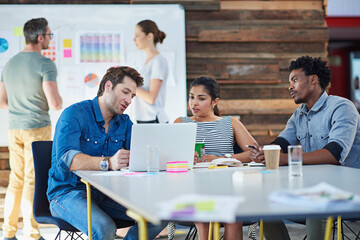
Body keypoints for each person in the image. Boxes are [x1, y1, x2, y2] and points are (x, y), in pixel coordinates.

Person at [47, 66, 166, 240]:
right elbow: (68, 160)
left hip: (108, 194)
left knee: (158, 218)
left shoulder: (124, 123)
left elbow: (142, 153)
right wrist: (109, 163)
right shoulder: (74, 114)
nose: (129, 100)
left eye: (132, 96)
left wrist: (174, 157)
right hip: (68, 193)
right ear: (108, 86)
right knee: (104, 228)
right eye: (125, 92)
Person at [250, 56, 360, 240]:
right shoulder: (298, 115)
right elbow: (281, 143)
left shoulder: (342, 107)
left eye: (294, 80)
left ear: (313, 79)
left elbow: (334, 154)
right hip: (312, 187)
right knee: (263, 200)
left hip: (346, 190)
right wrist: (265, 154)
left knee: (315, 204)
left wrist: (285, 158)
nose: (290, 87)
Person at [0, 18, 62, 240]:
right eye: (49, 35)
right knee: (32, 180)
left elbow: (2, 101)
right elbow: (55, 103)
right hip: (37, 128)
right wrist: (58, 101)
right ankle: (33, 234)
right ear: (40, 37)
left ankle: (8, 233)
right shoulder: (45, 64)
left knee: (16, 179)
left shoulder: (10, 63)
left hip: (14, 128)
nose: (50, 39)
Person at [175, 76, 258, 240]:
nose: (194, 103)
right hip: (193, 187)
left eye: (201, 98)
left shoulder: (230, 123)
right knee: (203, 210)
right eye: (191, 97)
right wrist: (184, 158)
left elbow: (254, 152)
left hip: (227, 186)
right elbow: (166, 156)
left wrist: (222, 158)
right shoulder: (181, 123)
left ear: (215, 101)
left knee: (233, 215)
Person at [133, 19, 169, 123]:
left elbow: (151, 98)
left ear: (149, 36)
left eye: (137, 35)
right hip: (144, 119)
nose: (134, 40)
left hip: (154, 120)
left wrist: (130, 86)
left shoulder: (158, 61)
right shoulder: (148, 61)